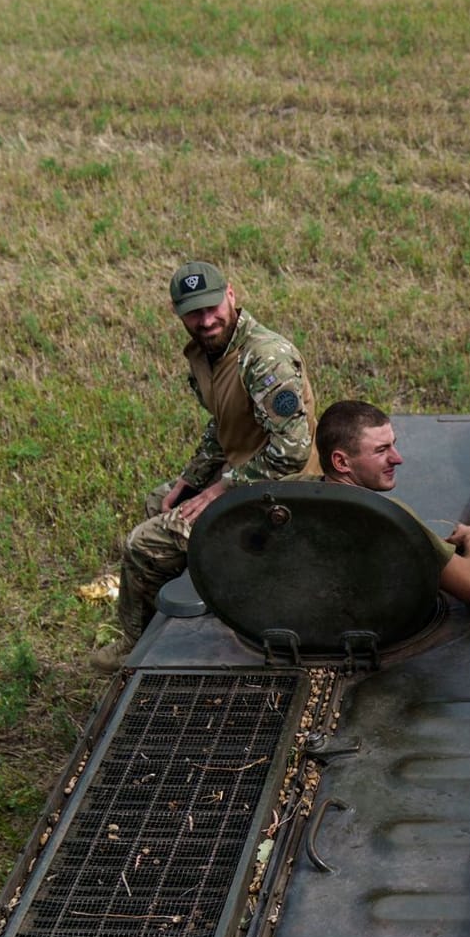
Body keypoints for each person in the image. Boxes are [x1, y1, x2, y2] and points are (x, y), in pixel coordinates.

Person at [96, 261, 316, 671]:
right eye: (195, 312)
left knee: (142, 546)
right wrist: (190, 480)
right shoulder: (209, 353)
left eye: (213, 306)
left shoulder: (264, 358)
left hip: (282, 493)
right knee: (159, 502)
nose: (207, 319)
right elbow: (223, 422)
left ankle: (136, 647)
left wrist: (220, 489)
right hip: (246, 478)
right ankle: (207, 594)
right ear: (177, 312)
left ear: (231, 295)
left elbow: (292, 452)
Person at [316, 400, 470, 605]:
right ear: (341, 462)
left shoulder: (289, 492)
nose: (397, 458)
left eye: (393, 445)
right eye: (381, 450)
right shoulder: (389, 519)